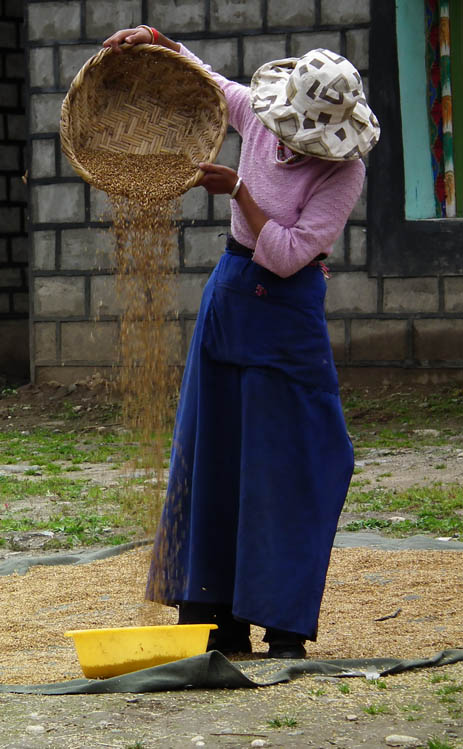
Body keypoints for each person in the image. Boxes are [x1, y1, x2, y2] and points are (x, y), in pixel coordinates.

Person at [101, 27, 380, 658]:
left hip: (287, 312)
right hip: (230, 298)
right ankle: (213, 617)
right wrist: (154, 40)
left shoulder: (345, 173)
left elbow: (285, 255)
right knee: (214, 451)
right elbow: (206, 83)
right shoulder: (256, 118)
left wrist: (240, 194)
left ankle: (282, 621)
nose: (286, 138)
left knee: (297, 459)